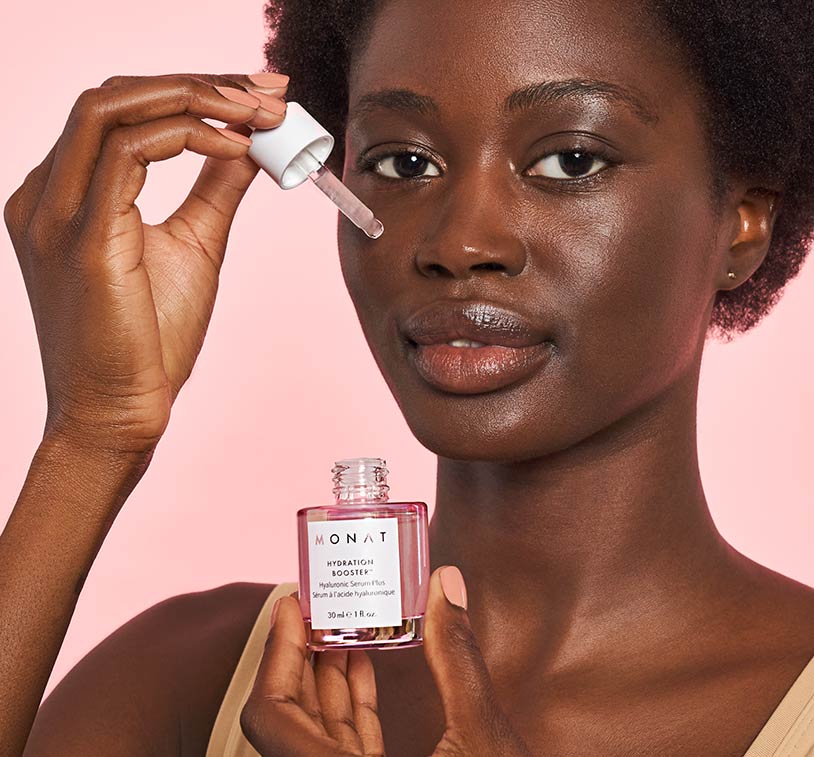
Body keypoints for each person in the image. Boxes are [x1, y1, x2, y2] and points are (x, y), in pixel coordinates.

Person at [3, 0, 813, 754]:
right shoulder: (191, 677)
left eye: (570, 160)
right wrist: (93, 433)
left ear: (743, 226)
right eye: (403, 160)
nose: (459, 242)